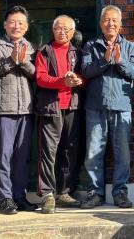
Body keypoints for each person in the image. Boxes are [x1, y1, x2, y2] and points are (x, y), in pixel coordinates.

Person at [80, 5, 134, 209]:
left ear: (120, 24)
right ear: (101, 24)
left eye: (114, 20)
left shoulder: (129, 47)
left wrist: (119, 61)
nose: (110, 24)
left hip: (122, 106)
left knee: (122, 153)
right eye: (106, 20)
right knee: (93, 154)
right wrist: (105, 60)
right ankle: (95, 193)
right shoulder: (91, 45)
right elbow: (86, 71)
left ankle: (120, 192)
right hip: (95, 106)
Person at [0, 6, 37, 215]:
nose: (17, 26)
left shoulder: (30, 47)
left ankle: (19, 196)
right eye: (13, 22)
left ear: (26, 27)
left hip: (26, 109)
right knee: (3, 157)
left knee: (22, 158)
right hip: (3, 109)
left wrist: (23, 62)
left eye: (21, 23)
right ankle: (5, 198)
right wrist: (10, 60)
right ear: (5, 25)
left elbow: (36, 74)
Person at [35, 15, 85, 213]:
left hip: (73, 106)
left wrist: (79, 80)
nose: (62, 32)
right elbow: (40, 78)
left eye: (66, 29)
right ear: (53, 30)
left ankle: (64, 192)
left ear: (73, 32)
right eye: (58, 28)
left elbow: (86, 77)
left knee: (70, 150)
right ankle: (47, 194)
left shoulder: (78, 52)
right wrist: (61, 82)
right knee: (48, 151)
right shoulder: (44, 51)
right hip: (50, 107)